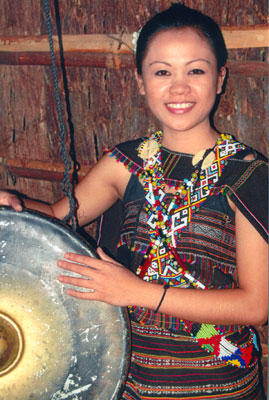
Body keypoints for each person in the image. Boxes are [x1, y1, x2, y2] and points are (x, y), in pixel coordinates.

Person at [0, 3, 268, 399]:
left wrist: (136, 292)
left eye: (196, 70)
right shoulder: (125, 162)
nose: (179, 87)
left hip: (217, 383)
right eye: (162, 72)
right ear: (141, 82)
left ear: (219, 79)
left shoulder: (249, 174)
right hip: (125, 377)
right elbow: (59, 219)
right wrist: (12, 205)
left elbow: (255, 307)